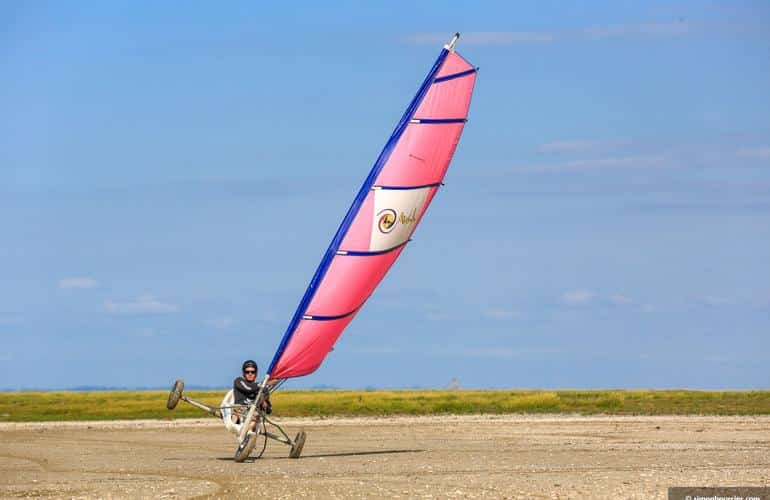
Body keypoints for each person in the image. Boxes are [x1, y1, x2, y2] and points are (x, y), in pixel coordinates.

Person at [232, 360, 271, 433]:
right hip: (239, 413)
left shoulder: (264, 390)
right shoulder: (238, 381)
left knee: (255, 414)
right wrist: (264, 384)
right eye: (247, 372)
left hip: (254, 417)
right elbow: (249, 388)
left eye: (252, 372)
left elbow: (268, 410)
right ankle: (238, 430)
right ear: (244, 373)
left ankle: (246, 432)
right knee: (236, 409)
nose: (250, 374)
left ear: (256, 374)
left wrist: (262, 400)